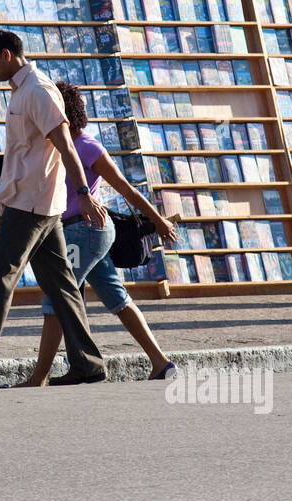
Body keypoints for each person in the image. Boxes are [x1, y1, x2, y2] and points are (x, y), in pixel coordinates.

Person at [0, 29, 110, 388]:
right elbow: (20, 157)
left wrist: (83, 193)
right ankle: (88, 364)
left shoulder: (38, 91)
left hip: (32, 204)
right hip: (36, 202)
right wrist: (1, 201)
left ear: (6, 54)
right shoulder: (23, 91)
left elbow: (66, 146)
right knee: (61, 286)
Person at [17, 81, 181, 387]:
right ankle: (161, 363)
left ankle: (39, 377)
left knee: (57, 297)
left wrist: (158, 220)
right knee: (117, 297)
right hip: (82, 232)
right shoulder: (55, 145)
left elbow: (125, 188)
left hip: (85, 231)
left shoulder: (88, 146)